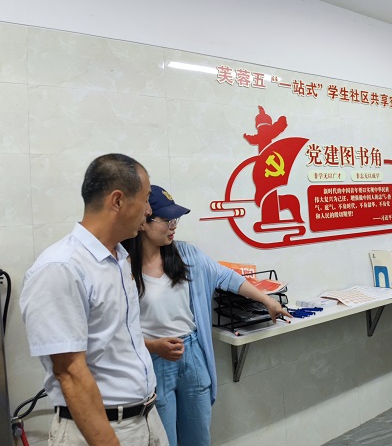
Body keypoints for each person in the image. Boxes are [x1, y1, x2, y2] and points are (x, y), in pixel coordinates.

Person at [122, 185, 291, 446]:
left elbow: (226, 277)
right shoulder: (122, 266)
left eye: (176, 220)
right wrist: (153, 346)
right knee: (164, 439)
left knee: (198, 436)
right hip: (154, 359)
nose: (173, 226)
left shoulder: (186, 254)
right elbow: (116, 330)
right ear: (143, 221)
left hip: (191, 353)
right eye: (167, 220)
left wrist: (268, 301)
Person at [20, 154, 169, 446]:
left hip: (145, 418)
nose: (149, 210)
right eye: (145, 199)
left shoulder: (120, 258)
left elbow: (117, 339)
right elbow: (69, 372)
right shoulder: (62, 267)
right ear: (118, 201)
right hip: (99, 429)